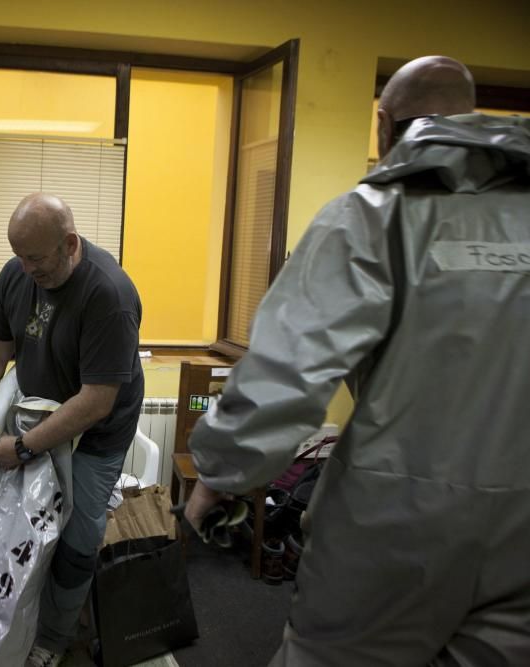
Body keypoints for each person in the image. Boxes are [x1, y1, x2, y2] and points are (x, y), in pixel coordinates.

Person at [182, 56, 530, 665]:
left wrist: (220, 473)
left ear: (383, 126)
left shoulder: (374, 215)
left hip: (396, 522)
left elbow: (288, 370)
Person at [0, 193, 144, 667]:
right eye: (19, 256)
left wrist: (26, 447)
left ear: (70, 244)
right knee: (27, 528)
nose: (25, 268)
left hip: (96, 431)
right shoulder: (18, 273)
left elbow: (97, 401)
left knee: (76, 537)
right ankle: (21, 617)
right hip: (38, 414)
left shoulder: (109, 295)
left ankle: (52, 639)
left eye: (36, 258)